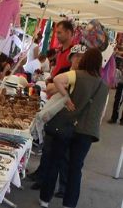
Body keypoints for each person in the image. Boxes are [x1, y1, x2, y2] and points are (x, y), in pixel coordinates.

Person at [39, 48, 109, 208]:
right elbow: (101, 114)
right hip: (87, 132)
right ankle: (69, 204)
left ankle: (45, 199)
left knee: (55, 162)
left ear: (84, 60)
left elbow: (57, 79)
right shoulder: (104, 86)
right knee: (75, 169)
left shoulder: (77, 75)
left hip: (66, 126)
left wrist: (66, 96)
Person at [29, 44, 86, 196]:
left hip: (71, 120)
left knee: (66, 156)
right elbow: (49, 88)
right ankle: (43, 181)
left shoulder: (84, 78)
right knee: (48, 151)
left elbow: (56, 87)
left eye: (81, 58)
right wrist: (63, 87)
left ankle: (63, 187)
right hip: (55, 117)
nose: (78, 61)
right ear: (71, 58)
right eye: (76, 57)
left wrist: (60, 87)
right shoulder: (65, 73)